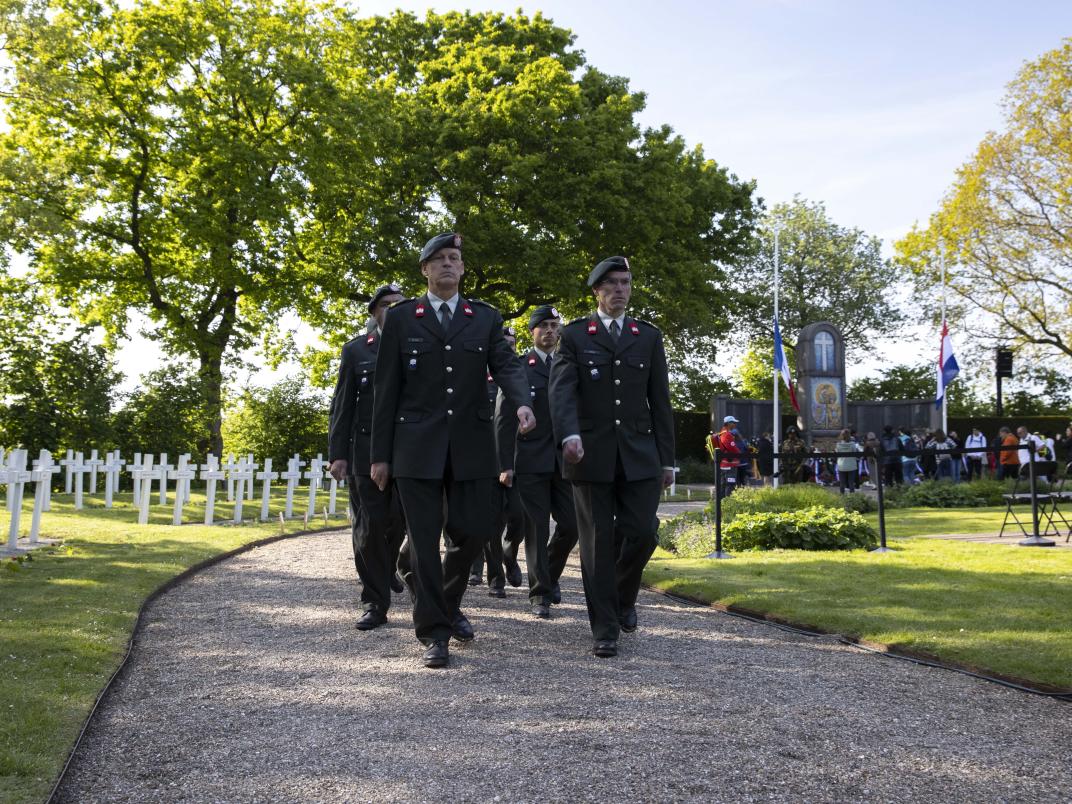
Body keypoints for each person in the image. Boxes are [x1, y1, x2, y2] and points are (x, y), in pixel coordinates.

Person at [370, 233, 534, 669]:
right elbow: (386, 391)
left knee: (472, 532)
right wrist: (380, 455)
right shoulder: (403, 318)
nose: (448, 264)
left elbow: (507, 365)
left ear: (462, 269)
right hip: (414, 447)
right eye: (439, 259)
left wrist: (522, 402)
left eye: (455, 258)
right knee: (423, 541)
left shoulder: (484, 317)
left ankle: (445, 602)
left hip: (471, 446)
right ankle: (435, 632)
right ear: (424, 269)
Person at [549, 255, 675, 659]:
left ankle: (622, 598)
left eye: (626, 282)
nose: (620, 290)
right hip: (589, 454)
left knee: (643, 532)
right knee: (597, 543)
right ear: (597, 291)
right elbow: (562, 390)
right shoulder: (575, 335)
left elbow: (661, 401)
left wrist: (667, 459)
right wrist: (568, 434)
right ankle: (604, 627)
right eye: (613, 284)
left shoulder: (647, 336)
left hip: (639, 454)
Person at [328, 283, 407, 630]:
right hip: (363, 452)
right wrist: (338, 454)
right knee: (369, 528)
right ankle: (375, 601)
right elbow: (341, 405)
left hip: (409, 452)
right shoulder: (357, 351)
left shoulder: (420, 346)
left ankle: (388, 567)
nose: (392, 310)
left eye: (399, 305)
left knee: (402, 523)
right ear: (374, 312)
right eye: (386, 305)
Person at [496, 304, 579, 618]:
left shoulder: (569, 365)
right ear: (532, 331)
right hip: (530, 459)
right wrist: (505, 464)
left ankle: (549, 574)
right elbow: (503, 419)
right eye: (543, 325)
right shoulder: (519, 367)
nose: (550, 331)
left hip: (564, 461)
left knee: (571, 526)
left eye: (555, 326)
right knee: (536, 527)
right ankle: (540, 594)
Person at [470, 325, 527, 598]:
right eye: (502, 343)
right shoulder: (475, 379)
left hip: (517, 461)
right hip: (483, 463)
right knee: (490, 523)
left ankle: (510, 554)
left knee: (519, 516)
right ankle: (495, 578)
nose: (508, 347)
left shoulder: (520, 379)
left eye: (512, 343)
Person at [712, 415, 743, 496]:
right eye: (733, 423)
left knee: (723, 485)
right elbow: (732, 447)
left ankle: (721, 504)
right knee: (730, 485)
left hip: (723, 464)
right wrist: (740, 453)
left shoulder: (722, 433)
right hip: (729, 464)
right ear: (728, 423)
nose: (735, 424)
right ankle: (727, 504)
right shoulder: (727, 434)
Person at [835, 428, 861, 493]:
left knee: (842, 483)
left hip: (841, 465)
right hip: (851, 465)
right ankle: (852, 498)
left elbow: (837, 453)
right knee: (851, 483)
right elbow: (855, 453)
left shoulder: (838, 445)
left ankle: (841, 497)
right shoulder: (852, 444)